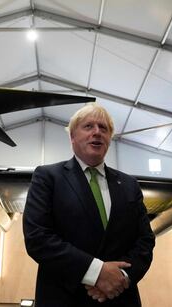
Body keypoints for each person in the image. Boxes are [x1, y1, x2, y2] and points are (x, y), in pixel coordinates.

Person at [23, 103, 155, 307]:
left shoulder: (129, 185)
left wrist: (121, 277)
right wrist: (97, 273)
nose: (97, 132)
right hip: (64, 298)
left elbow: (145, 240)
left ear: (109, 139)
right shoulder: (48, 177)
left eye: (103, 128)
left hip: (120, 298)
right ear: (72, 137)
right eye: (88, 126)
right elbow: (38, 238)